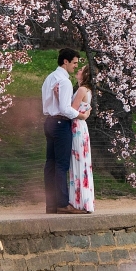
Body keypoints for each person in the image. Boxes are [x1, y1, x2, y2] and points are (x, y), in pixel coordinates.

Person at [42, 48, 91, 215]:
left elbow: (52, 104)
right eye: (74, 62)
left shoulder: (50, 78)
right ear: (66, 61)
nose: (75, 66)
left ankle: (51, 204)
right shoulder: (64, 81)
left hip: (49, 121)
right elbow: (65, 108)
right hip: (60, 123)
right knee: (61, 165)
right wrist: (81, 115)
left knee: (50, 164)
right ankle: (62, 203)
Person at [69, 64, 94, 213]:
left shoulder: (82, 90)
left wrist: (83, 115)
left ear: (84, 75)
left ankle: (79, 202)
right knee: (82, 163)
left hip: (77, 126)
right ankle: (83, 200)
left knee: (78, 162)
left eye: (81, 70)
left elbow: (72, 109)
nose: (78, 71)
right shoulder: (87, 90)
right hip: (82, 126)